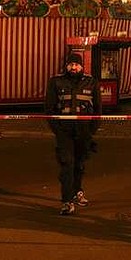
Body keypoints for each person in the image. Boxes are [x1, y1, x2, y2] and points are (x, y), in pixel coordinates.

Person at [45, 53, 102, 215]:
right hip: (64, 131)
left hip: (84, 131)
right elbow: (49, 108)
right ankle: (66, 201)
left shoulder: (91, 82)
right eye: (71, 64)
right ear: (66, 66)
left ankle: (77, 191)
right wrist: (57, 130)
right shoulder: (56, 82)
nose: (73, 67)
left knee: (79, 163)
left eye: (76, 64)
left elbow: (98, 109)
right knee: (67, 164)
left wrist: (92, 130)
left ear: (82, 66)